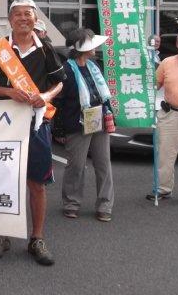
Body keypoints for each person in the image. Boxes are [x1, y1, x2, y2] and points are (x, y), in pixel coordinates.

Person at [0, 0, 65, 266]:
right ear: (10, 20)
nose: (23, 19)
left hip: (37, 123)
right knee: (3, 179)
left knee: (36, 182)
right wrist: (9, 92)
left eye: (28, 14)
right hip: (4, 122)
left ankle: (37, 238)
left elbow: (59, 82)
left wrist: (46, 96)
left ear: (35, 19)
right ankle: (2, 234)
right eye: (18, 14)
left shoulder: (46, 49)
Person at [57, 29, 114, 222]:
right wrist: (60, 129)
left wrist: (109, 114)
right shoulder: (66, 70)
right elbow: (60, 101)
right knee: (76, 165)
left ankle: (105, 204)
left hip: (100, 117)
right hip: (77, 122)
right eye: (91, 44)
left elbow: (102, 93)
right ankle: (71, 203)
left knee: (103, 163)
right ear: (81, 48)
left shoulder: (93, 65)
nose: (95, 48)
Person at [147, 28, 178, 201]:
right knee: (164, 153)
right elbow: (154, 85)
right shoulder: (167, 63)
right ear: (177, 44)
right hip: (170, 113)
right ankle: (163, 188)